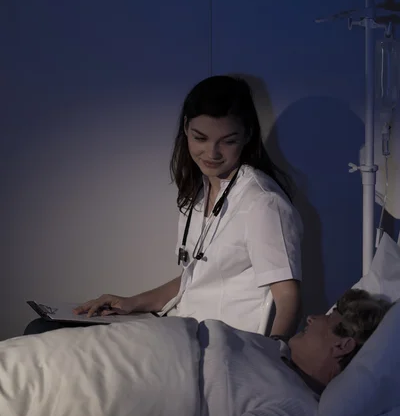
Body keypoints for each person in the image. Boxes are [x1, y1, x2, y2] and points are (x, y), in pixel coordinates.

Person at [10, 289, 391, 416]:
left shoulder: (296, 410)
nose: (311, 317)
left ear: (342, 344)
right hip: (113, 351)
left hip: (127, 385)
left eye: (327, 319)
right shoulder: (274, 351)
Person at [25, 75, 302, 337]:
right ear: (185, 129)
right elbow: (194, 280)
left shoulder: (263, 202)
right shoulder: (202, 192)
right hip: (179, 330)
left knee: (42, 334)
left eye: (227, 141)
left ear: (247, 135)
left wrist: (274, 358)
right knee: (43, 328)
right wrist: (132, 303)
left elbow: (287, 296)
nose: (212, 153)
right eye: (200, 138)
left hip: (218, 349)